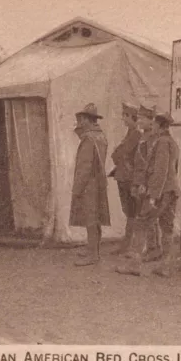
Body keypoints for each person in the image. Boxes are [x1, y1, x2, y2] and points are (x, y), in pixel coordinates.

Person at [115, 104, 160, 276]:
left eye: (142, 118)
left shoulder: (151, 139)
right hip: (140, 182)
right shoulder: (145, 137)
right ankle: (153, 249)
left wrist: (144, 184)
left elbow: (149, 165)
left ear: (151, 121)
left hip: (146, 184)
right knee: (145, 218)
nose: (139, 120)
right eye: (138, 117)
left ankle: (135, 261)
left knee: (143, 219)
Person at [69, 103, 110, 267]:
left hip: (89, 184)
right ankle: (93, 249)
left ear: (87, 120)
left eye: (81, 118)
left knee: (91, 218)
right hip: (98, 182)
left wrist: (77, 189)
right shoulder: (100, 136)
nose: (79, 122)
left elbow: (85, 167)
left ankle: (93, 254)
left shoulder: (88, 139)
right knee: (96, 217)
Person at [145, 112, 181, 277]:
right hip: (171, 189)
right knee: (167, 225)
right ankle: (166, 264)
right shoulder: (173, 143)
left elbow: (161, 171)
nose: (152, 128)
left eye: (153, 125)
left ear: (160, 126)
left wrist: (153, 194)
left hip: (163, 191)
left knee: (148, 220)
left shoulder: (161, 142)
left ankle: (157, 261)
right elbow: (175, 169)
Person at [109, 102, 141, 255]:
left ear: (131, 117)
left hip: (130, 178)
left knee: (133, 212)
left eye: (125, 116)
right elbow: (116, 154)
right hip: (123, 176)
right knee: (129, 212)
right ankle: (127, 245)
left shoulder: (136, 134)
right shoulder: (130, 133)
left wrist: (119, 154)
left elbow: (121, 153)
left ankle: (130, 246)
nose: (123, 119)